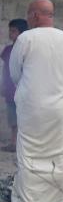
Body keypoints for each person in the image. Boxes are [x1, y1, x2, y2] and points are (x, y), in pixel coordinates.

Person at [1, 0, 63, 202]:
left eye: (28, 14)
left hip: (32, 108)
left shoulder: (25, 38)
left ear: (34, 16)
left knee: (29, 155)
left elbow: (15, 73)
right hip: (59, 108)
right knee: (58, 154)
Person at [1, 19, 28, 152]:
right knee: (12, 120)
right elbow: (5, 69)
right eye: (10, 31)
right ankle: (13, 143)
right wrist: (3, 85)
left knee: (24, 119)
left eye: (13, 31)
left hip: (23, 92)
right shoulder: (7, 50)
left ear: (22, 33)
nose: (10, 34)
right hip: (10, 91)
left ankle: (23, 145)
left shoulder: (27, 49)